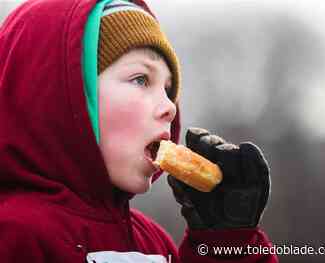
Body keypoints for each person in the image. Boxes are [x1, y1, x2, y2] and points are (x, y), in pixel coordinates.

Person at [0, 0, 279, 262]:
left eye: (168, 90)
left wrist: (227, 247)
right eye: (141, 79)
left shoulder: (153, 242)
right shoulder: (17, 235)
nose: (170, 107)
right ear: (59, 96)